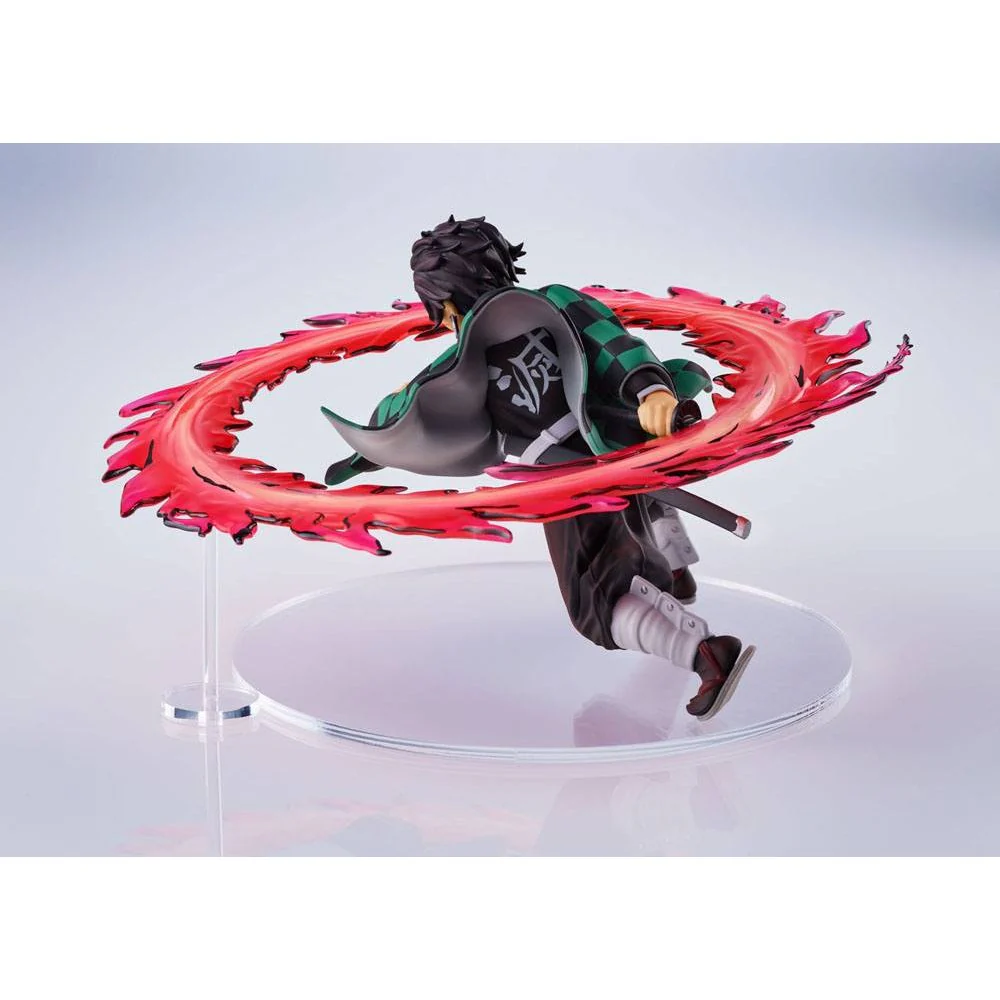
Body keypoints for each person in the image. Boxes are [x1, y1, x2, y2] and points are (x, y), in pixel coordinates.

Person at [322, 216, 753, 719]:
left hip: (594, 459)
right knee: (641, 506)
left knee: (597, 603)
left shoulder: (548, 308)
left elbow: (612, 343)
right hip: (580, 466)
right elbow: (399, 419)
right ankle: (674, 573)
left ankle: (704, 654)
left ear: (444, 304)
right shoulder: (456, 366)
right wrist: (375, 436)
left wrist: (649, 389)